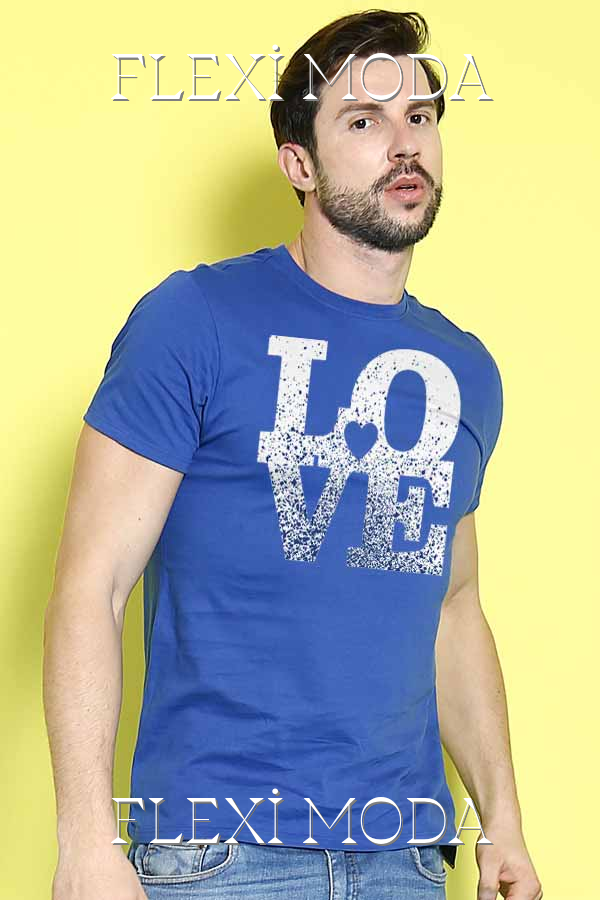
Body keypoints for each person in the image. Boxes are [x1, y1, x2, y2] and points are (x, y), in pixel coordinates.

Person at [43, 9, 543, 900]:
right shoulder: (192, 322)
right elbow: (93, 585)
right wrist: (86, 840)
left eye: (420, 116)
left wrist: (501, 821)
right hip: (220, 855)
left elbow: (453, 608)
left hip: (404, 860)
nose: (405, 143)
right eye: (364, 121)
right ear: (299, 165)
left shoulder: (464, 370)